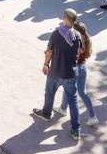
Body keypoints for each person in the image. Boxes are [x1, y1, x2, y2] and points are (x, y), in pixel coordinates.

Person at [33, 9, 83, 141]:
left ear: (66, 19)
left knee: (49, 92)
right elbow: (80, 51)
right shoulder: (77, 35)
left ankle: (46, 113)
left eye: (63, 17)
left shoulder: (56, 33)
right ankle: (76, 130)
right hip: (71, 74)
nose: (62, 18)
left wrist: (46, 64)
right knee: (73, 101)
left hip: (56, 71)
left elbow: (49, 51)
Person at [65, 20, 99, 127]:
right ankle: (93, 116)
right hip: (83, 67)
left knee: (68, 87)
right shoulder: (87, 39)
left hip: (75, 68)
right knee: (82, 92)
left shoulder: (77, 43)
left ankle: (62, 109)